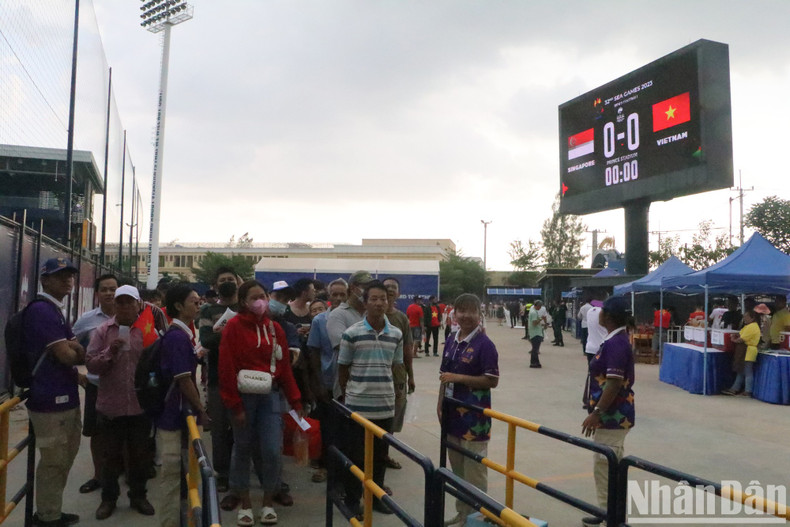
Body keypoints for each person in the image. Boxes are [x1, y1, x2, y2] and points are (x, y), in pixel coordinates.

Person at [219, 280, 303, 526]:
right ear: (243, 302)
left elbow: (285, 367)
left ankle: (268, 501)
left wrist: (295, 399)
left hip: (270, 396)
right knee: (242, 448)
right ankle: (244, 502)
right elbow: (226, 368)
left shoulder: (275, 329)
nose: (260, 301)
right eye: (254, 297)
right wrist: (234, 404)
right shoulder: (233, 327)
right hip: (243, 397)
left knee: (271, 449)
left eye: (263, 296)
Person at [85, 285, 156, 519]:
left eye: (129, 302)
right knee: (110, 458)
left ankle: (138, 496)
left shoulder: (147, 331)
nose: (125, 307)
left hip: (140, 405)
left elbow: (158, 362)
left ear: (139, 304)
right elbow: (92, 364)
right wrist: (109, 352)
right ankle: (108, 499)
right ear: (115, 305)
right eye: (120, 302)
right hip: (111, 406)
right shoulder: (103, 331)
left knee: (139, 456)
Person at [23, 258, 84, 527]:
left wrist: (75, 351)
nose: (68, 280)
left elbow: (75, 347)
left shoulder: (56, 310)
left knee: (64, 456)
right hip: (50, 400)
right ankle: (47, 517)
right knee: (53, 460)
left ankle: (52, 511)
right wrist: (75, 352)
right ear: (45, 280)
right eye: (61, 276)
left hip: (64, 395)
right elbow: (67, 355)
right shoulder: (42, 311)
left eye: (70, 275)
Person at [338, 281, 403, 517]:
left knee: (380, 458)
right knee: (356, 457)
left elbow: (397, 366)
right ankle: (353, 500)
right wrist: (351, 393)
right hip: (358, 407)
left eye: (383, 299)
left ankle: (376, 498)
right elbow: (343, 368)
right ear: (365, 303)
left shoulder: (395, 334)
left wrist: (397, 391)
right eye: (373, 298)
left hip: (384, 407)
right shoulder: (352, 333)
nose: (379, 303)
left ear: (389, 302)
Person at [437, 293, 499, 527]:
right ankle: (462, 514)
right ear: (454, 313)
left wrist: (459, 378)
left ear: (479, 314)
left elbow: (491, 380)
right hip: (452, 415)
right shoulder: (452, 339)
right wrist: (440, 403)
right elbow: (444, 376)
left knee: (474, 472)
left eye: (471, 311)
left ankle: (477, 519)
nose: (465, 316)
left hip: (474, 417)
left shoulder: (485, 345)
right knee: (458, 470)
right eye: (460, 311)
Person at [156, 284, 208, 527]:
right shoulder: (177, 337)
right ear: (178, 306)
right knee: (171, 474)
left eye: (199, 302)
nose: (198, 306)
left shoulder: (184, 334)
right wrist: (201, 409)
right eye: (194, 302)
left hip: (177, 413)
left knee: (180, 472)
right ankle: (168, 521)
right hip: (173, 416)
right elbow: (184, 380)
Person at [581, 296, 635, 527]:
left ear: (608, 317)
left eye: (602, 312)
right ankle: (606, 511)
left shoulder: (616, 344)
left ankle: (611, 517)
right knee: (607, 465)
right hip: (611, 413)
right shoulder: (614, 339)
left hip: (613, 415)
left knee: (606, 465)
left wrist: (597, 412)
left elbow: (613, 383)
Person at [71, 273, 118, 496]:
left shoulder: (133, 317)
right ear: (97, 293)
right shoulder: (86, 320)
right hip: (96, 386)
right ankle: (98, 476)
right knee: (97, 434)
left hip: (125, 387)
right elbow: (68, 344)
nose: (109, 293)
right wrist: (74, 372)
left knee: (126, 433)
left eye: (113, 289)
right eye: (105, 289)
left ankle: (127, 477)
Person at [198, 266, 239, 493]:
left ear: (238, 281)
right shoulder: (207, 310)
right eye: (222, 279)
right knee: (220, 429)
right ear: (215, 285)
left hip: (245, 377)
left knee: (244, 427)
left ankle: (243, 469)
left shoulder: (246, 307)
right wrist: (231, 332)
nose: (227, 282)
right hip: (217, 377)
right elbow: (206, 341)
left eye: (230, 279)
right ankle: (223, 473)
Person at [307, 278, 349, 488]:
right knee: (327, 428)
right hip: (327, 381)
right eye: (335, 295)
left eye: (343, 294)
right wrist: (318, 384)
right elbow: (313, 352)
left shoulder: (355, 320)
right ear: (329, 296)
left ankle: (344, 468)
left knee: (346, 429)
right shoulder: (319, 321)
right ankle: (324, 466)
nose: (340, 298)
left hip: (348, 385)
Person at [382, 277, 415, 470]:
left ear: (399, 293)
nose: (390, 290)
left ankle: (384, 454)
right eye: (387, 287)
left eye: (394, 287)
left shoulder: (401, 318)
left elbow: (407, 349)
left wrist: (411, 375)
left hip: (398, 375)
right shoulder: (368, 316)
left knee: (394, 416)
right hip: (377, 375)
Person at [722, 310, 761, 397]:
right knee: (741, 371)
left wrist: (733, 340)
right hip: (745, 351)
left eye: (746, 317)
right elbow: (740, 334)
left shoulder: (752, 327)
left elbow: (741, 339)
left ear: (752, 318)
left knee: (748, 371)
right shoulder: (748, 326)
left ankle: (748, 390)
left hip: (748, 351)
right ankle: (735, 388)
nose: (744, 319)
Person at [527, 299, 546, 368]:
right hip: (535, 333)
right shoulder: (534, 313)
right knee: (535, 349)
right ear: (537, 306)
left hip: (534, 332)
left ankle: (536, 362)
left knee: (535, 349)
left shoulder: (532, 311)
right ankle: (533, 363)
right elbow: (534, 323)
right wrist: (541, 319)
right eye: (540, 306)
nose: (540, 308)